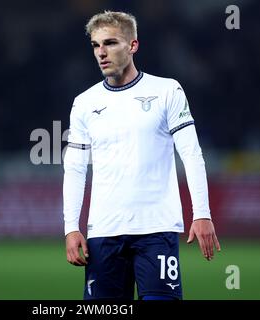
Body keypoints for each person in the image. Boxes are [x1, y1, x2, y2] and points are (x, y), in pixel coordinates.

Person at [62, 10, 220, 300]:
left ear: (133, 45)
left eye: (110, 43)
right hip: (104, 234)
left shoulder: (167, 90)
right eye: (96, 45)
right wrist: (71, 228)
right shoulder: (84, 103)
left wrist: (202, 214)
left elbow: (191, 153)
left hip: (156, 229)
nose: (101, 52)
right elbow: (74, 167)